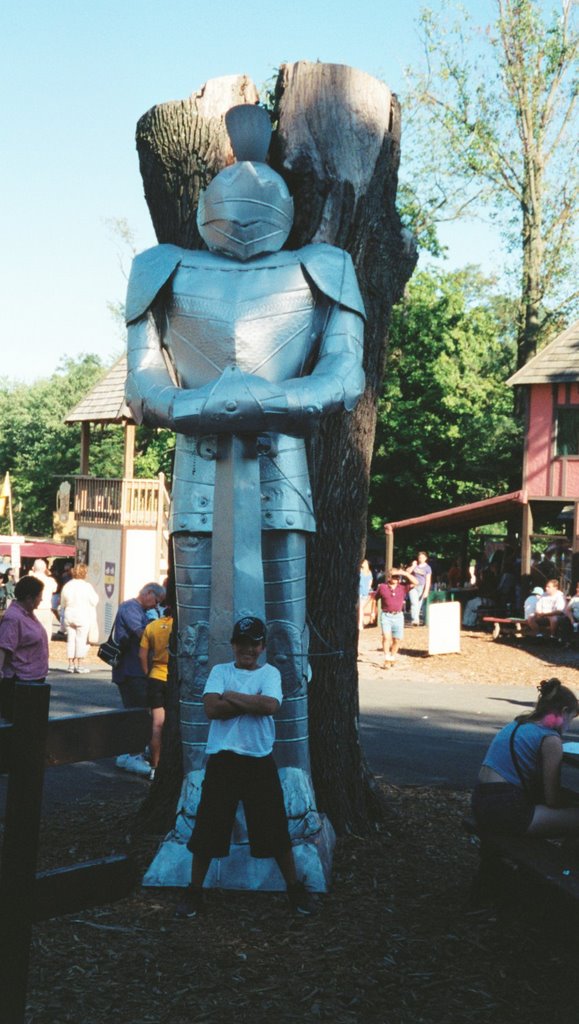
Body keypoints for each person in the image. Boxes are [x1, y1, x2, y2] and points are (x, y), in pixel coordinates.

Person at [175, 616, 315, 919]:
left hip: (259, 760)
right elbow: (212, 709)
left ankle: (294, 889)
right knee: (208, 829)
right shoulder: (219, 671)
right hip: (223, 761)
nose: (247, 649)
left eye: (254, 644)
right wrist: (251, 701)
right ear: (233, 645)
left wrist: (233, 697)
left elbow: (271, 706)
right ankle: (194, 891)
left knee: (275, 828)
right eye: (242, 643)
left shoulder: (271, 673)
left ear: (263, 647)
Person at [472, 678, 579, 836]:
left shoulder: (517, 724)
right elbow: (551, 799)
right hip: (507, 809)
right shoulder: (550, 739)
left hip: (480, 802)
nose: (569, 724)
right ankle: (561, 860)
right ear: (563, 712)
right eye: (571, 717)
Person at [0, 576, 48, 721]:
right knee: (20, 727)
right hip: (20, 682)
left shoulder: (27, 614)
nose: (41, 599)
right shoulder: (13, 618)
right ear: (29, 598)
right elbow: (3, 648)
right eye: (40, 596)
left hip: (33, 679)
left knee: (32, 726)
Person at [112, 583, 166, 708]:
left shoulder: (143, 610)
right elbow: (142, 634)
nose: (156, 605)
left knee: (143, 708)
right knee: (136, 710)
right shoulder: (130, 608)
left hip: (138, 669)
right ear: (149, 593)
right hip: (130, 670)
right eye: (156, 601)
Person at [139, 605, 174, 780]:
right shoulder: (179, 626)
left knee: (157, 724)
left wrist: (147, 673)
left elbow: (142, 654)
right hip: (174, 678)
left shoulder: (152, 626)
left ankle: (155, 766)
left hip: (156, 676)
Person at [59, 564, 99, 674]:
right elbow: (95, 601)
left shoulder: (67, 585)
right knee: (81, 640)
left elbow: (62, 602)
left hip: (69, 614)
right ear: (85, 573)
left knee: (71, 639)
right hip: (82, 614)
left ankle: (70, 664)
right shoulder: (87, 586)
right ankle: (80, 664)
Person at [375, 567, 418, 668]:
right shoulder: (382, 587)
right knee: (386, 637)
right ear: (389, 577)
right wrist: (374, 612)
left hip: (398, 616)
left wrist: (405, 574)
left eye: (398, 577)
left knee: (397, 639)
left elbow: (416, 582)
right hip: (386, 615)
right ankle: (386, 658)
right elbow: (375, 599)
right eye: (394, 577)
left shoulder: (403, 587)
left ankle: (392, 657)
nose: (396, 579)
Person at [28, 559, 58, 643]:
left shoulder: (29, 580)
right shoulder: (50, 580)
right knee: (46, 632)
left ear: (33, 568)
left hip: (32, 609)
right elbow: (54, 589)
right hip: (46, 608)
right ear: (45, 568)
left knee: (32, 632)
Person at [408, 551, 432, 626]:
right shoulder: (415, 566)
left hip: (422, 587)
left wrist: (426, 590)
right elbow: (407, 572)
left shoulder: (428, 568)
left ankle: (420, 619)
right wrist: (413, 565)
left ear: (425, 558)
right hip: (413, 586)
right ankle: (415, 620)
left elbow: (428, 580)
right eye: (419, 557)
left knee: (419, 604)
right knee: (414, 603)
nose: (420, 558)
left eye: (422, 557)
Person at [358, 559, 375, 631]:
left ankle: (360, 623)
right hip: (361, 591)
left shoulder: (367, 572)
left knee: (360, 608)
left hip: (363, 592)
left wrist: (367, 590)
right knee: (360, 608)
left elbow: (370, 583)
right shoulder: (363, 571)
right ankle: (360, 623)